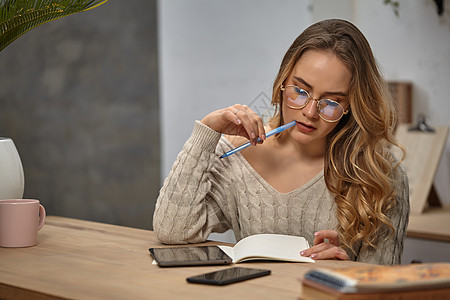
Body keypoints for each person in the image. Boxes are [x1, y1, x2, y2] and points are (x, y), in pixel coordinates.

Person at [153, 19, 409, 265]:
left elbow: (381, 285)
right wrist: (206, 133)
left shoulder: (379, 173)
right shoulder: (237, 154)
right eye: (299, 91)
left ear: (351, 106)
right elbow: (173, 230)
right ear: (282, 83)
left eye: (331, 102)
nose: (309, 112)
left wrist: (345, 264)